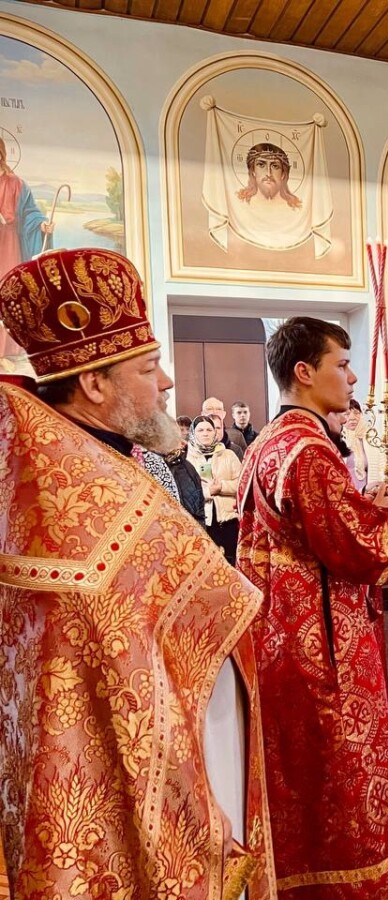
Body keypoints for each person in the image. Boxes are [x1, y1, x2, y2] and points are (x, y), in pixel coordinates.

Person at [0, 247, 275, 898]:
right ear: (95, 384)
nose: (168, 383)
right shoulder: (84, 501)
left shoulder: (58, 465)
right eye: (150, 368)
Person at [237, 315, 388, 898]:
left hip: (280, 632)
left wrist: (373, 504)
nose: (354, 377)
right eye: (342, 364)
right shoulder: (308, 451)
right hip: (320, 644)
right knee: (342, 774)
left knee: (298, 774)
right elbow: (355, 547)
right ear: (304, 372)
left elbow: (313, 531)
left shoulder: (268, 442)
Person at [0, 138, 52, 362]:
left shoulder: (16, 183)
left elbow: (31, 212)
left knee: (8, 290)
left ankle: (8, 349)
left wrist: (42, 225)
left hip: (9, 243)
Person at [188, 413, 243, 565]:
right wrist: (208, 492)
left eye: (209, 429)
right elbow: (187, 492)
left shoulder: (228, 455)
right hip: (202, 521)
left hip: (228, 520)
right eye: (200, 430)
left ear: (215, 432)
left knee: (231, 562)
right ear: (193, 433)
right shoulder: (187, 459)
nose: (205, 433)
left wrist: (221, 487)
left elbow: (241, 483)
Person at [238, 142, 303, 209]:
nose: (268, 174)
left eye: (275, 166)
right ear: (253, 171)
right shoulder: (241, 204)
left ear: (283, 174)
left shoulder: (294, 207)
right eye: (261, 165)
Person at [344, 398, 388, 492]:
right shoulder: (338, 439)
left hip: (369, 491)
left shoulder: (372, 438)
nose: (352, 417)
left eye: (356, 413)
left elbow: (382, 466)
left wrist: (380, 488)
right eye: (347, 414)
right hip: (346, 492)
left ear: (361, 414)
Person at [166, 437, 207, 525]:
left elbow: (200, 505)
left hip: (192, 526)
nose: (183, 443)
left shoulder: (188, 467)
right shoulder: (157, 466)